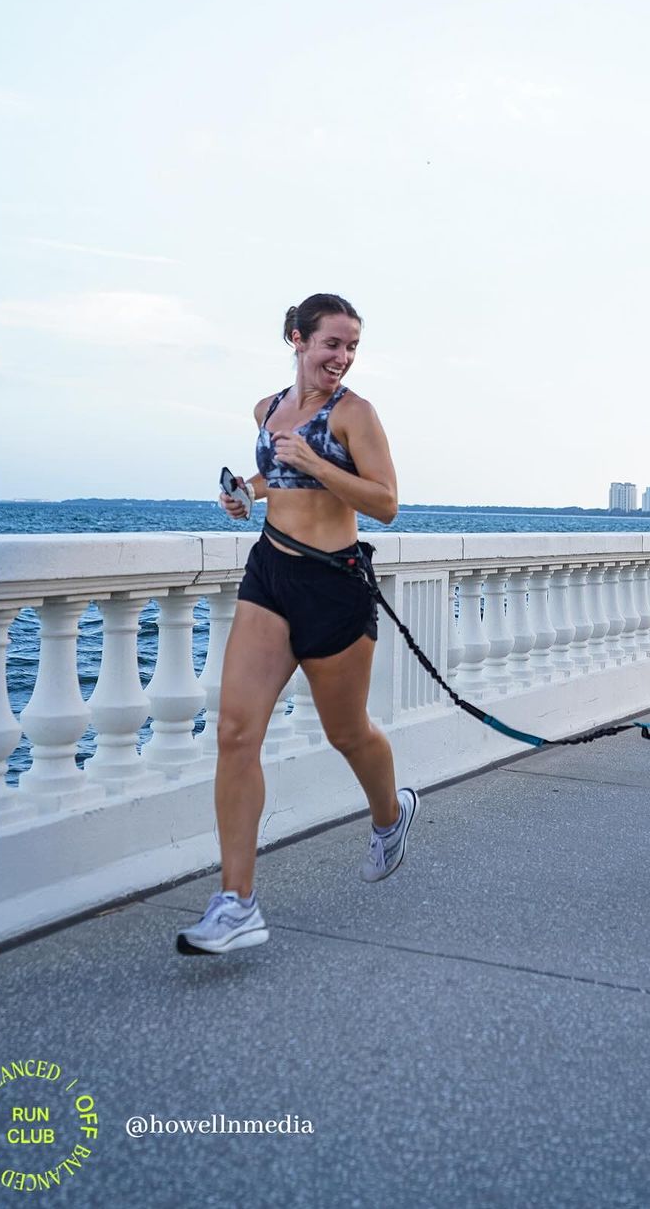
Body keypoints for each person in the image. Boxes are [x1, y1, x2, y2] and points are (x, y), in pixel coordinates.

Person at [177, 293, 419, 955]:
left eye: (351, 347)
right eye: (330, 344)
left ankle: (390, 816)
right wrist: (247, 492)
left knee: (348, 733)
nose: (341, 357)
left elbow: (388, 503)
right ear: (296, 339)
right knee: (234, 732)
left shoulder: (356, 414)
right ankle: (237, 904)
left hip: (333, 583)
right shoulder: (267, 410)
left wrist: (318, 465)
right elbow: (276, 472)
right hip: (270, 577)